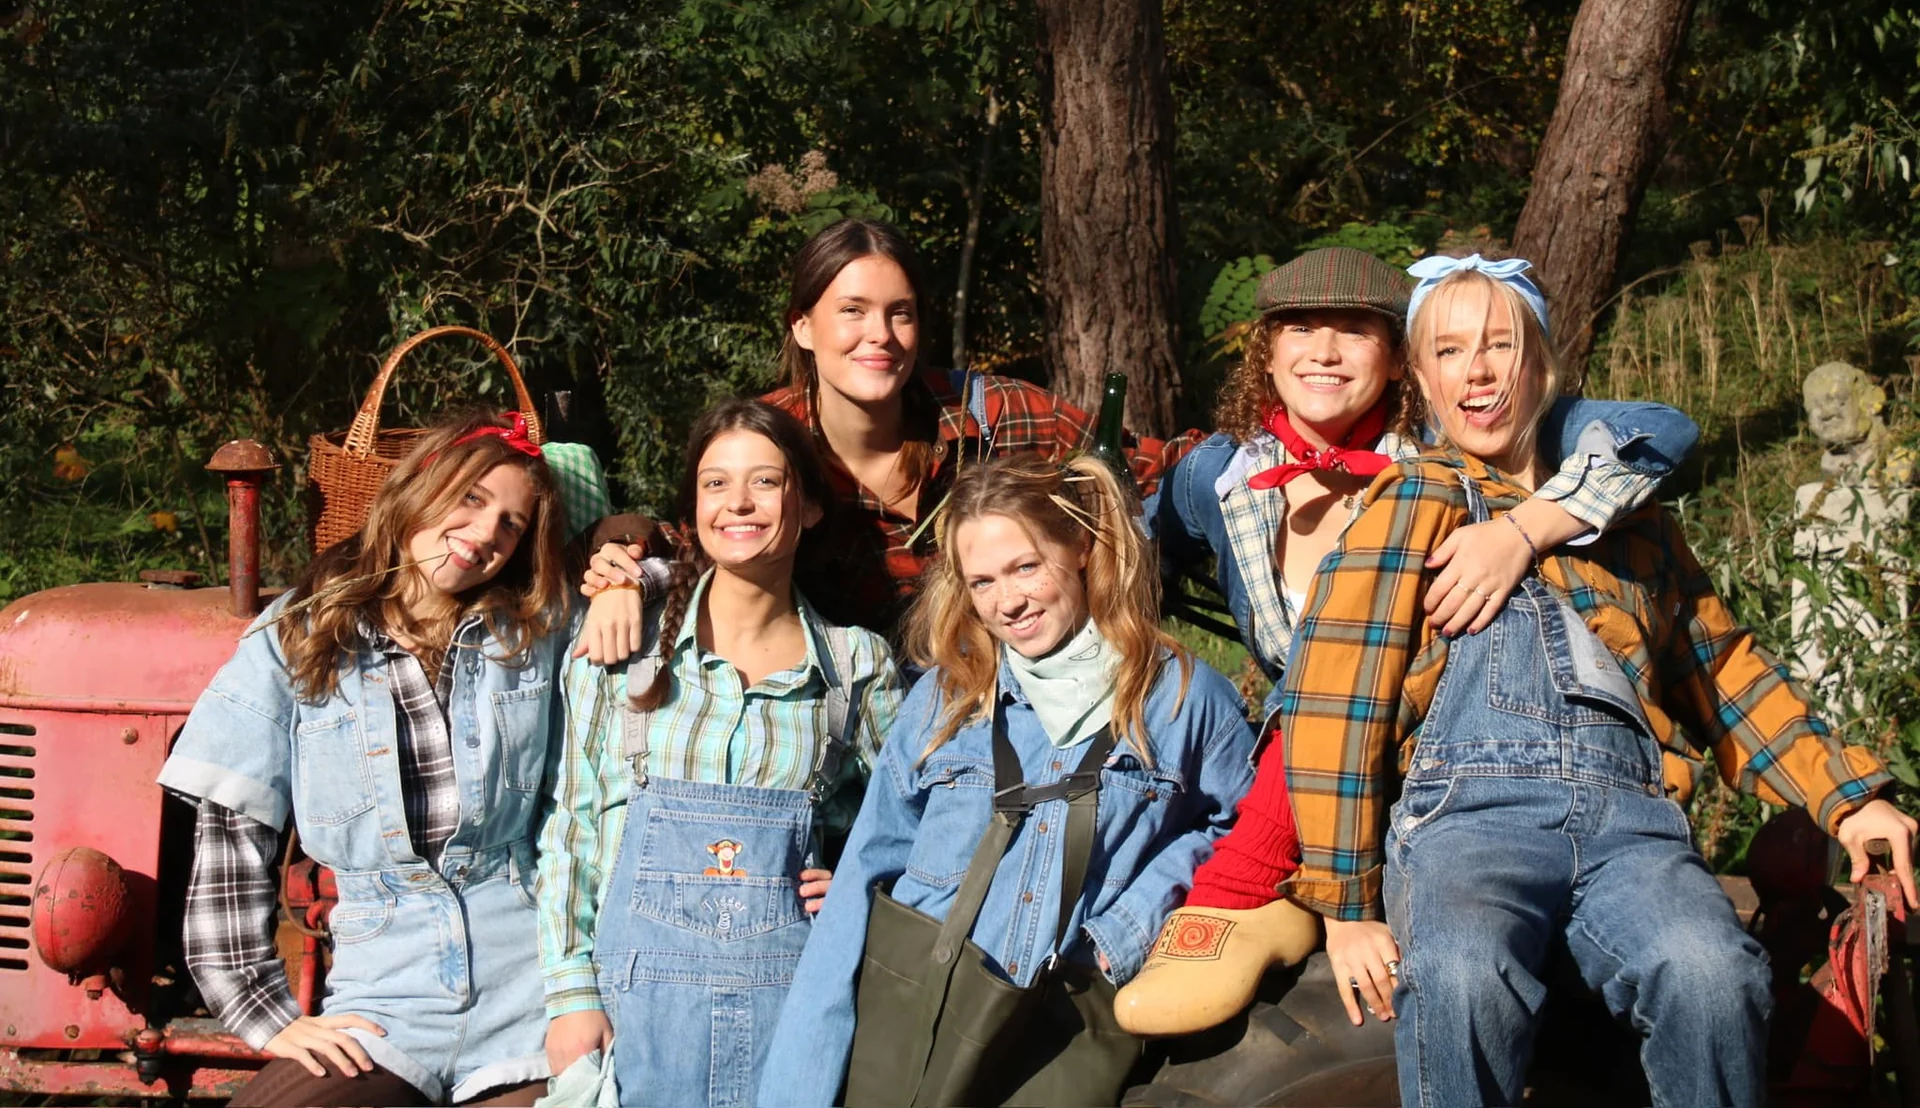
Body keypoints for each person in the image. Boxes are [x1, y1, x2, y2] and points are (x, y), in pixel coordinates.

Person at [1279, 258, 1917, 1106]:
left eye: (1502, 345)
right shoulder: (1414, 502)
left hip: (1631, 826)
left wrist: (1849, 796)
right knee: (1462, 975)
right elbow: (1335, 698)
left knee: (1713, 973)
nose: (1478, 369)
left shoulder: (1632, 526)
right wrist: (1345, 902)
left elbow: (1725, 673)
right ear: (1423, 381)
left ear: (1541, 367)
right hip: (1468, 826)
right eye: (1451, 350)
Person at [1117, 248, 1701, 1034]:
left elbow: (1658, 429)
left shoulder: (1448, 447)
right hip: (1311, 763)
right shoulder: (1218, 478)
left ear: (1399, 361)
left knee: (1346, 659)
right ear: (1267, 350)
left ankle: (1244, 884)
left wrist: (1527, 528)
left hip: (1437, 752)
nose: (1322, 352)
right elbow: (1133, 559)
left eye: (1354, 331)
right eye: (1299, 329)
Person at [758, 452, 1259, 1106]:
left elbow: (1249, 834)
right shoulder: (948, 697)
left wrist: (1128, 928)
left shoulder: (1183, 701)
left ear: (1080, 545)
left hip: (1062, 1031)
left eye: (1026, 566)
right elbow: (865, 873)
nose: (1008, 601)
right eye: (983, 581)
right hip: (914, 1012)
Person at [158, 412, 574, 1107]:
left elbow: (667, 600)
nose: (485, 536)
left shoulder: (538, 627)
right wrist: (265, 1016)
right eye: (470, 499)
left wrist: (629, 560)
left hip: (529, 992)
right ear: (419, 486)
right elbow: (233, 827)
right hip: (384, 998)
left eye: (511, 523)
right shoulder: (301, 632)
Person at [572, 217, 1203, 657]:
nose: (880, 334)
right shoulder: (768, 443)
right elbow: (680, 538)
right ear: (803, 327)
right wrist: (622, 575)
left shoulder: (993, 415)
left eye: (899, 312)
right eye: (852, 311)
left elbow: (1160, 470)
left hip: (1012, 710)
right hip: (846, 728)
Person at [537, 399, 903, 1108]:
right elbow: (572, 833)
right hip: (629, 1019)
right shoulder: (618, 647)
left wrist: (863, 884)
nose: (739, 501)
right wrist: (570, 995)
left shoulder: (858, 666)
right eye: (715, 484)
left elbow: (900, 822)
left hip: (797, 1020)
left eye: (766, 482)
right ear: (692, 510)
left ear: (812, 508)